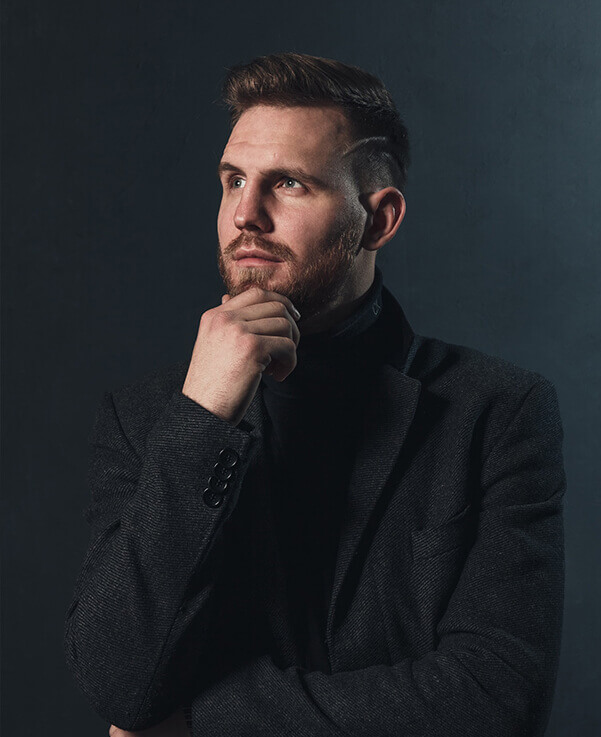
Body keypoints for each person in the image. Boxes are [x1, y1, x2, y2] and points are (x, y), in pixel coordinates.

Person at [64, 53, 566, 737]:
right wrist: (203, 419)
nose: (246, 215)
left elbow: (495, 700)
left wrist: (197, 720)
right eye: (233, 180)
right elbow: (119, 682)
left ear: (378, 220)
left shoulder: (496, 412)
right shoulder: (147, 416)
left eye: (288, 184)